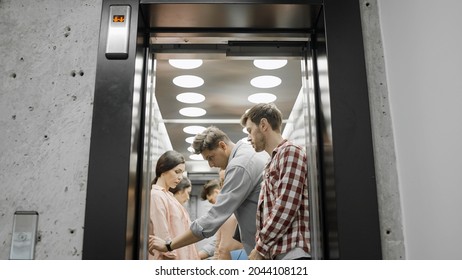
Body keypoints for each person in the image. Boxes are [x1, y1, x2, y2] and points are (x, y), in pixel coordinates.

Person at [149, 126, 268, 256]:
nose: (211, 165)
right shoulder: (249, 153)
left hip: (266, 248)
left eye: (211, 157)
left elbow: (215, 217)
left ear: (222, 146)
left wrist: (169, 245)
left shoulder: (239, 165)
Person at [240, 103, 311, 260]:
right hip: (280, 253)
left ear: (264, 125)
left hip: (294, 253)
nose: (248, 137)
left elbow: (287, 205)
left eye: (250, 130)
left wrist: (260, 248)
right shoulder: (272, 161)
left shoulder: (290, 152)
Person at [148, 150, 200, 260]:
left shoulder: (169, 196)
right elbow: (162, 236)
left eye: (182, 172)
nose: (180, 177)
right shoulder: (156, 196)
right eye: (177, 172)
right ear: (163, 169)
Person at [201, 178, 244, 260]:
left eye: (211, 201)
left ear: (217, 192)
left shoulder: (237, 210)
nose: (213, 205)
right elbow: (218, 242)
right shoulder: (223, 213)